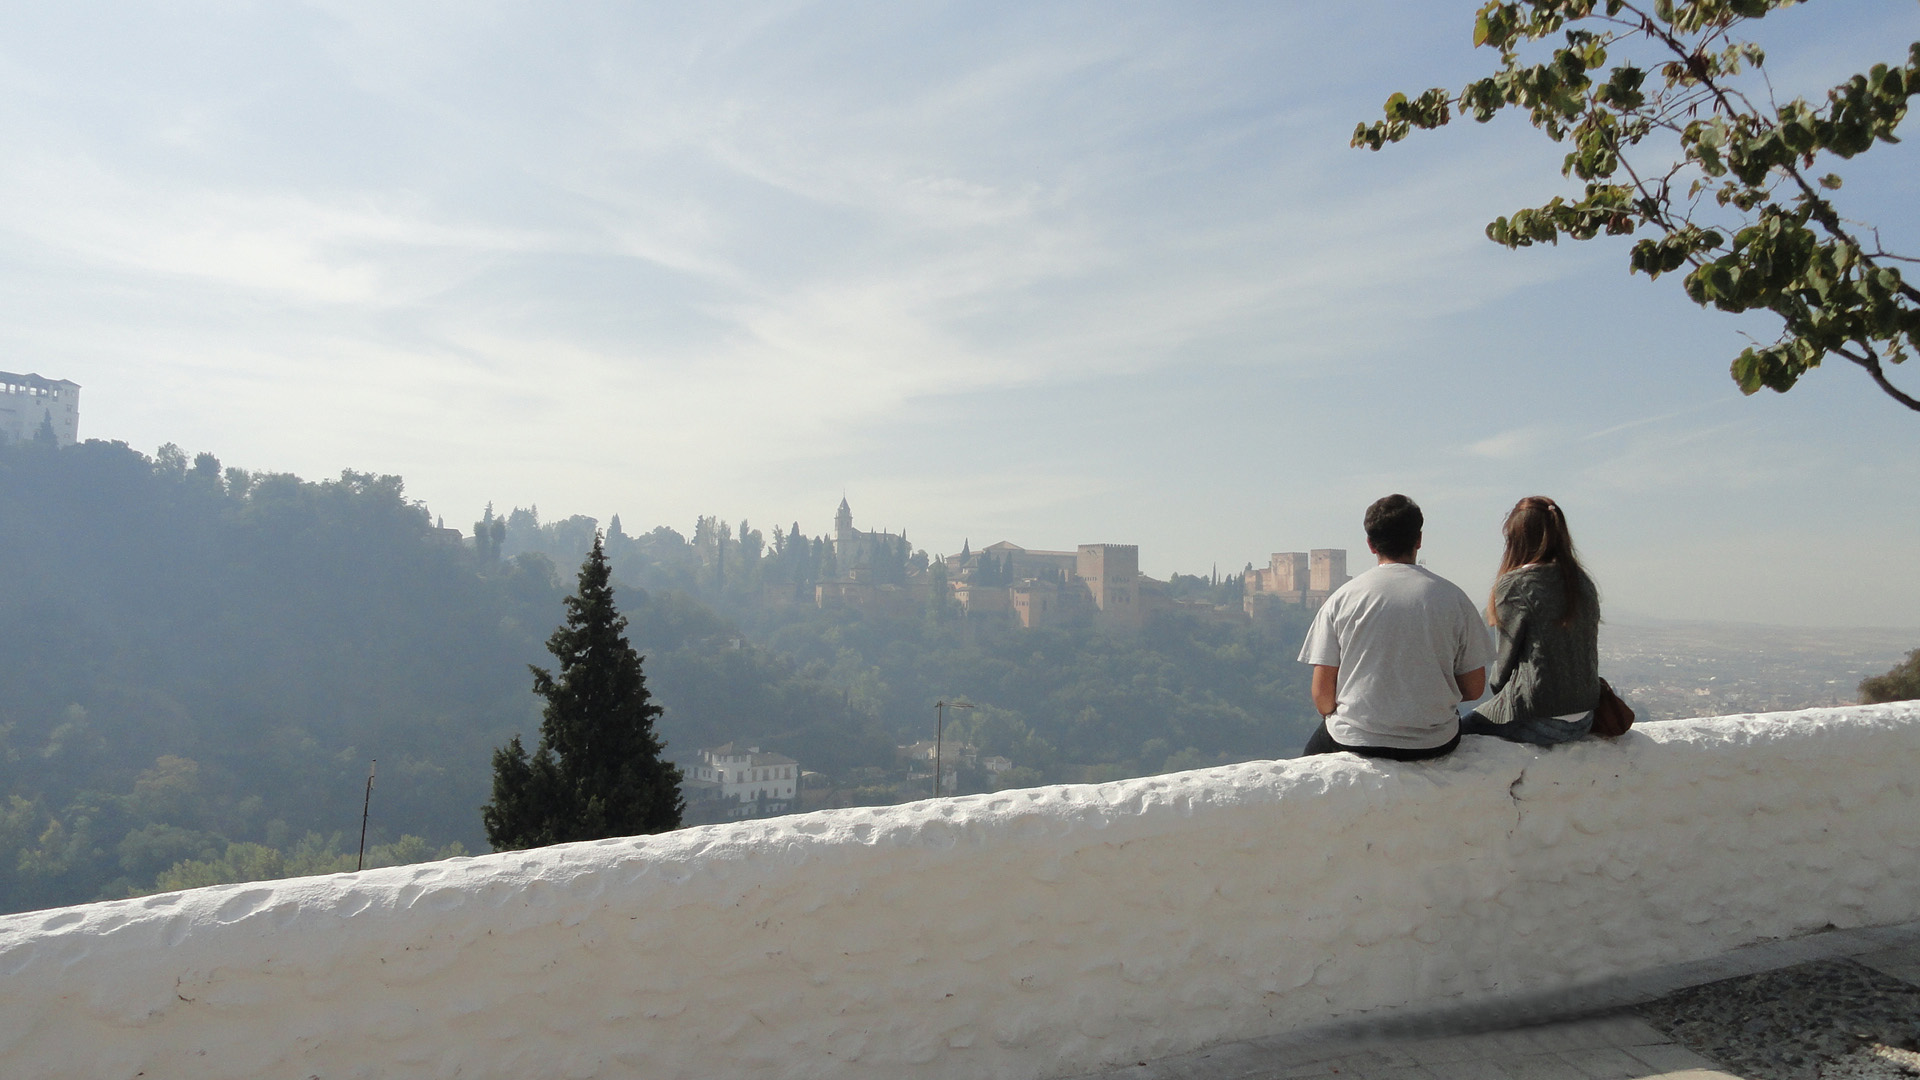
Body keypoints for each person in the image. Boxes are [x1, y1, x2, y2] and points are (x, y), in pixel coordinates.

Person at [1298, 494, 1493, 760]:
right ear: (1419, 540)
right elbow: (1474, 688)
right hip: (1434, 740)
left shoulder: (1341, 599)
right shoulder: (1454, 598)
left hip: (1356, 739)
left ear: (1370, 544)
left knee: (1308, 763)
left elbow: (1322, 698)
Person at [1458, 496, 1602, 746]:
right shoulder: (1582, 582)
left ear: (1516, 540)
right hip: (1585, 718)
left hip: (1541, 719)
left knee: (1459, 735)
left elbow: (1501, 673)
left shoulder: (1516, 585)